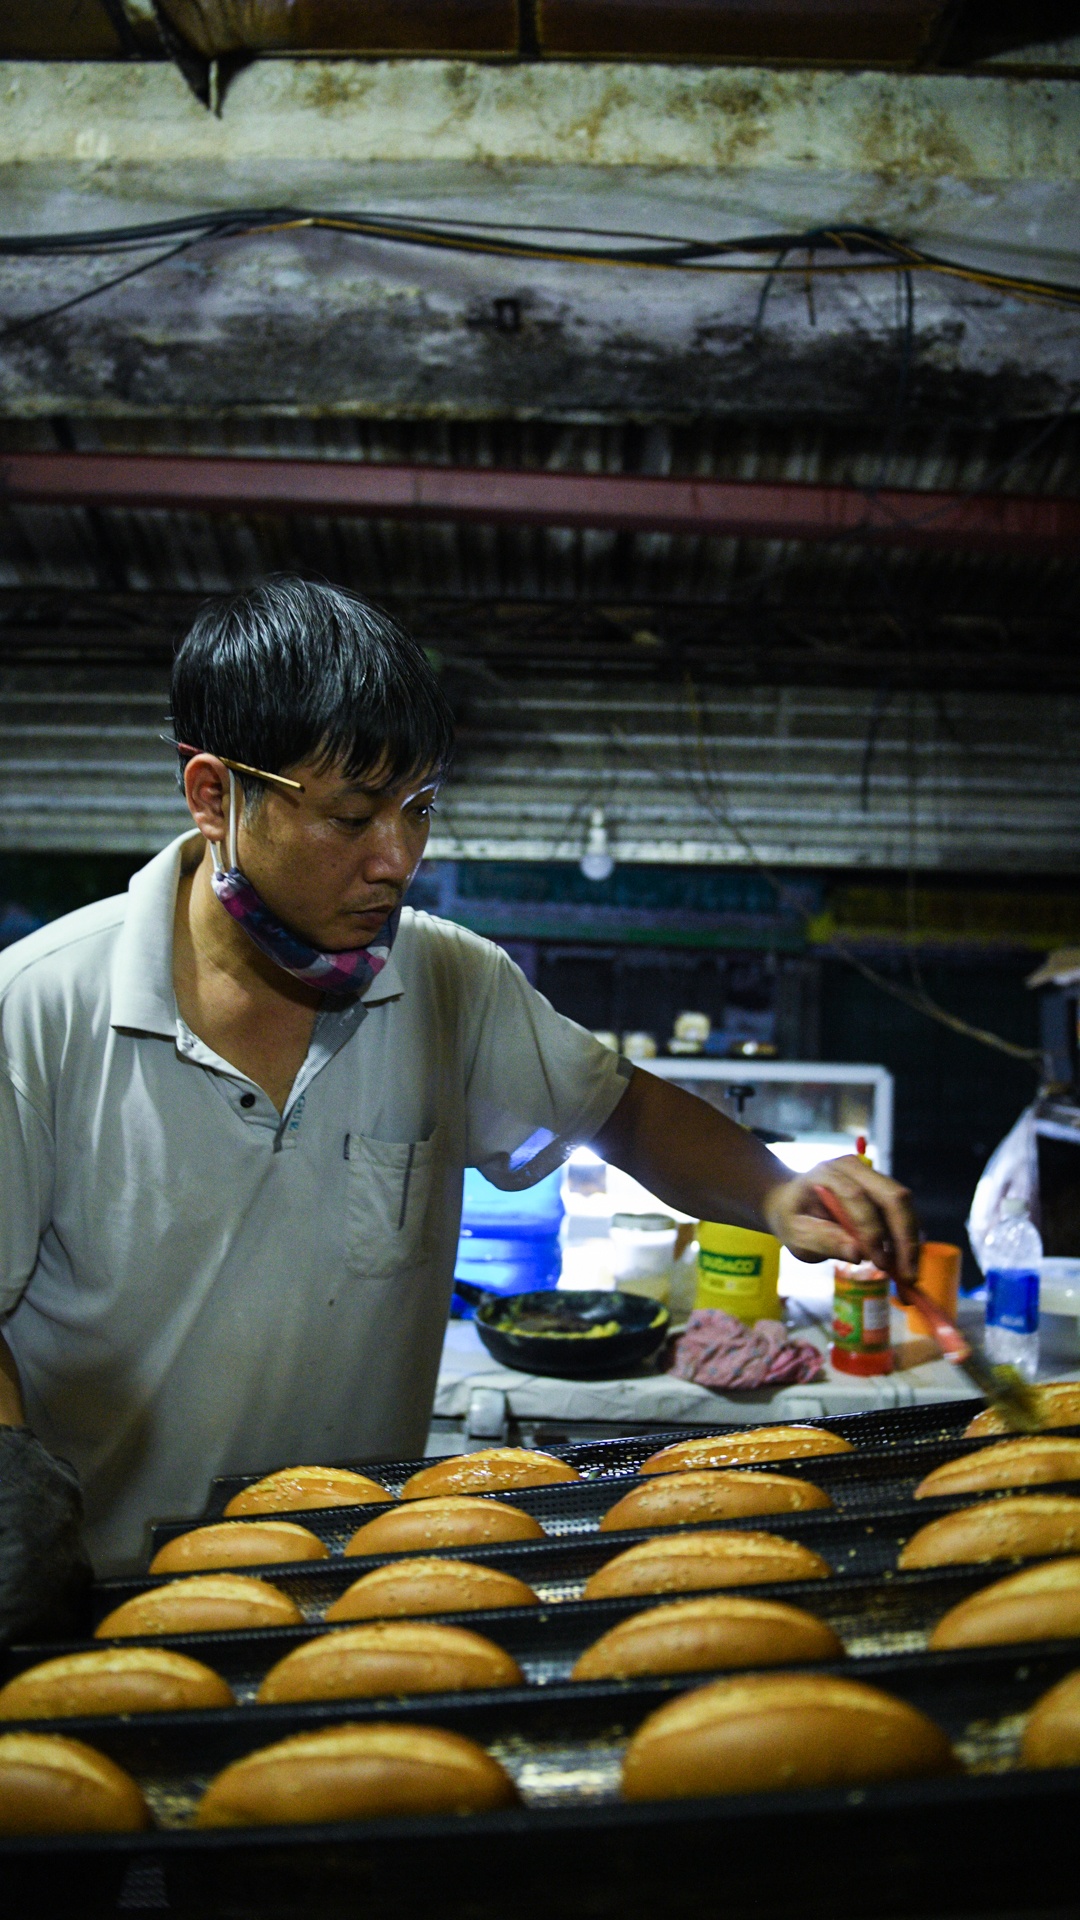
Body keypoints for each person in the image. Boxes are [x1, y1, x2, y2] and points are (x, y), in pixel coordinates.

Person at [0, 577, 917, 1598]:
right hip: (116, 1594)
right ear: (215, 795)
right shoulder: (40, 1010)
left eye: (420, 808)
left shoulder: (448, 979)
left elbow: (625, 1111)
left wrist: (777, 1192)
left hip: (364, 1585)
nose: (398, 859)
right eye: (351, 818)